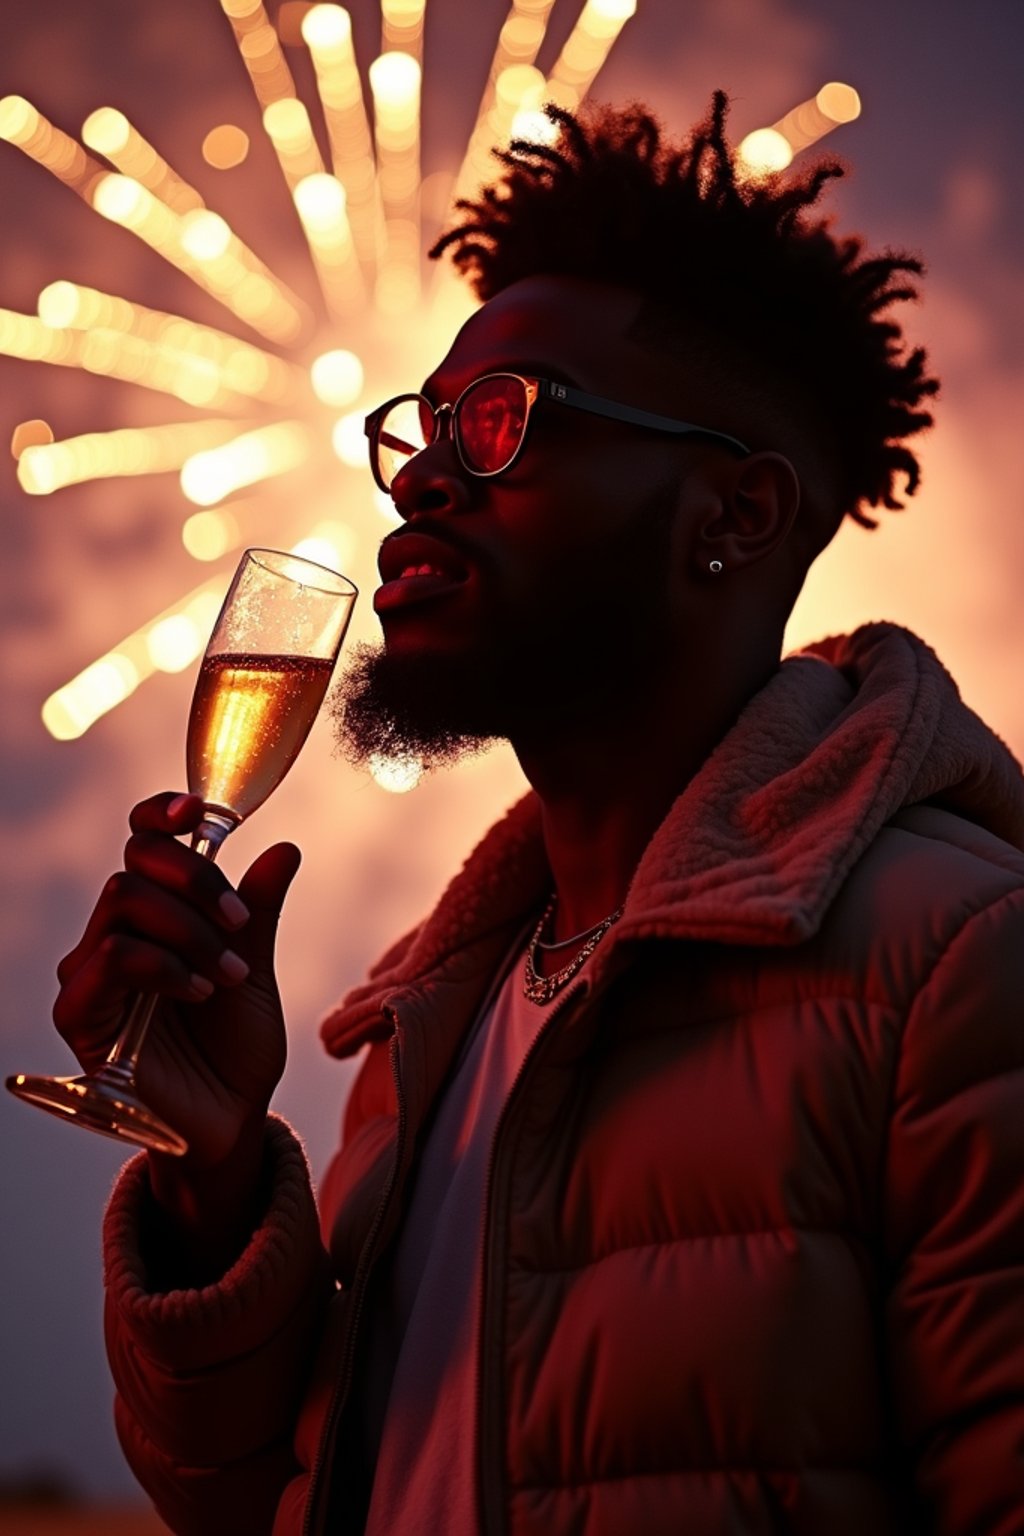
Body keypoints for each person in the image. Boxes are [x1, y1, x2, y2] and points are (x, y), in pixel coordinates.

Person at [55, 94, 1024, 1535]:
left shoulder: (959, 965)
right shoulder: (419, 1044)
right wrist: (212, 1175)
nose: (425, 480)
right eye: (423, 431)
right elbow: (277, 1509)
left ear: (735, 517)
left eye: (502, 423)